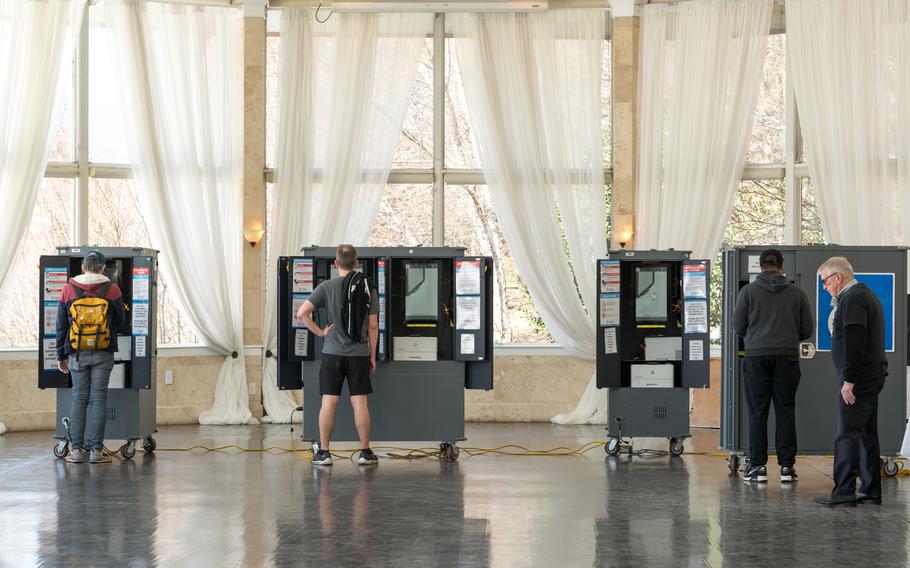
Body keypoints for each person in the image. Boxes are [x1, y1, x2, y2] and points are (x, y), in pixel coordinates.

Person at [733, 248, 813, 483]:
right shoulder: (797, 294)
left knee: (758, 412)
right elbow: (807, 330)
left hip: (756, 356)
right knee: (785, 410)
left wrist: (757, 337)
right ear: (782, 266)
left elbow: (738, 327)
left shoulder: (747, 292)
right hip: (787, 357)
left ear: (760, 267)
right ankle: (787, 468)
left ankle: (757, 467)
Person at [297, 244, 380, 466]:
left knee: (329, 402)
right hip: (359, 354)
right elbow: (373, 325)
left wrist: (321, 332)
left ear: (336, 264)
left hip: (332, 354)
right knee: (360, 403)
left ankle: (324, 453)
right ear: (356, 263)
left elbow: (302, 314)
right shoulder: (366, 287)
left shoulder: (326, 286)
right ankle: (365, 452)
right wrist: (372, 355)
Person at [814, 257, 888, 507]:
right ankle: (869, 489)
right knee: (866, 433)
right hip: (869, 374)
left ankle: (844, 491)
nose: (825, 287)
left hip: (860, 377)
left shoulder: (853, 297)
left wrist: (849, 379)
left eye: (825, 282)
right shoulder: (862, 294)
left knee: (847, 434)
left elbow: (855, 341)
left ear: (838, 277)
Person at [56, 250, 126, 464]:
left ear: (83, 267)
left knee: (79, 398)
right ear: (103, 268)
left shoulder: (68, 289)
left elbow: (61, 326)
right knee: (98, 399)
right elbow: (120, 321)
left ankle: (76, 451)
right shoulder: (112, 288)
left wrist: (61, 356)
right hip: (104, 352)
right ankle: (96, 451)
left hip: (77, 353)